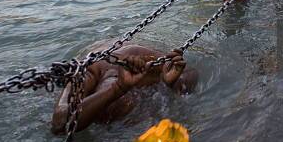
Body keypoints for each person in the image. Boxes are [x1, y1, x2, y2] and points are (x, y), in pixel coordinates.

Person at [51, 41, 197, 134]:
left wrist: (172, 83)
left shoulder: (148, 61)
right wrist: (118, 89)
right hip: (102, 49)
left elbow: (190, 71)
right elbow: (60, 122)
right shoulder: (87, 72)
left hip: (124, 45)